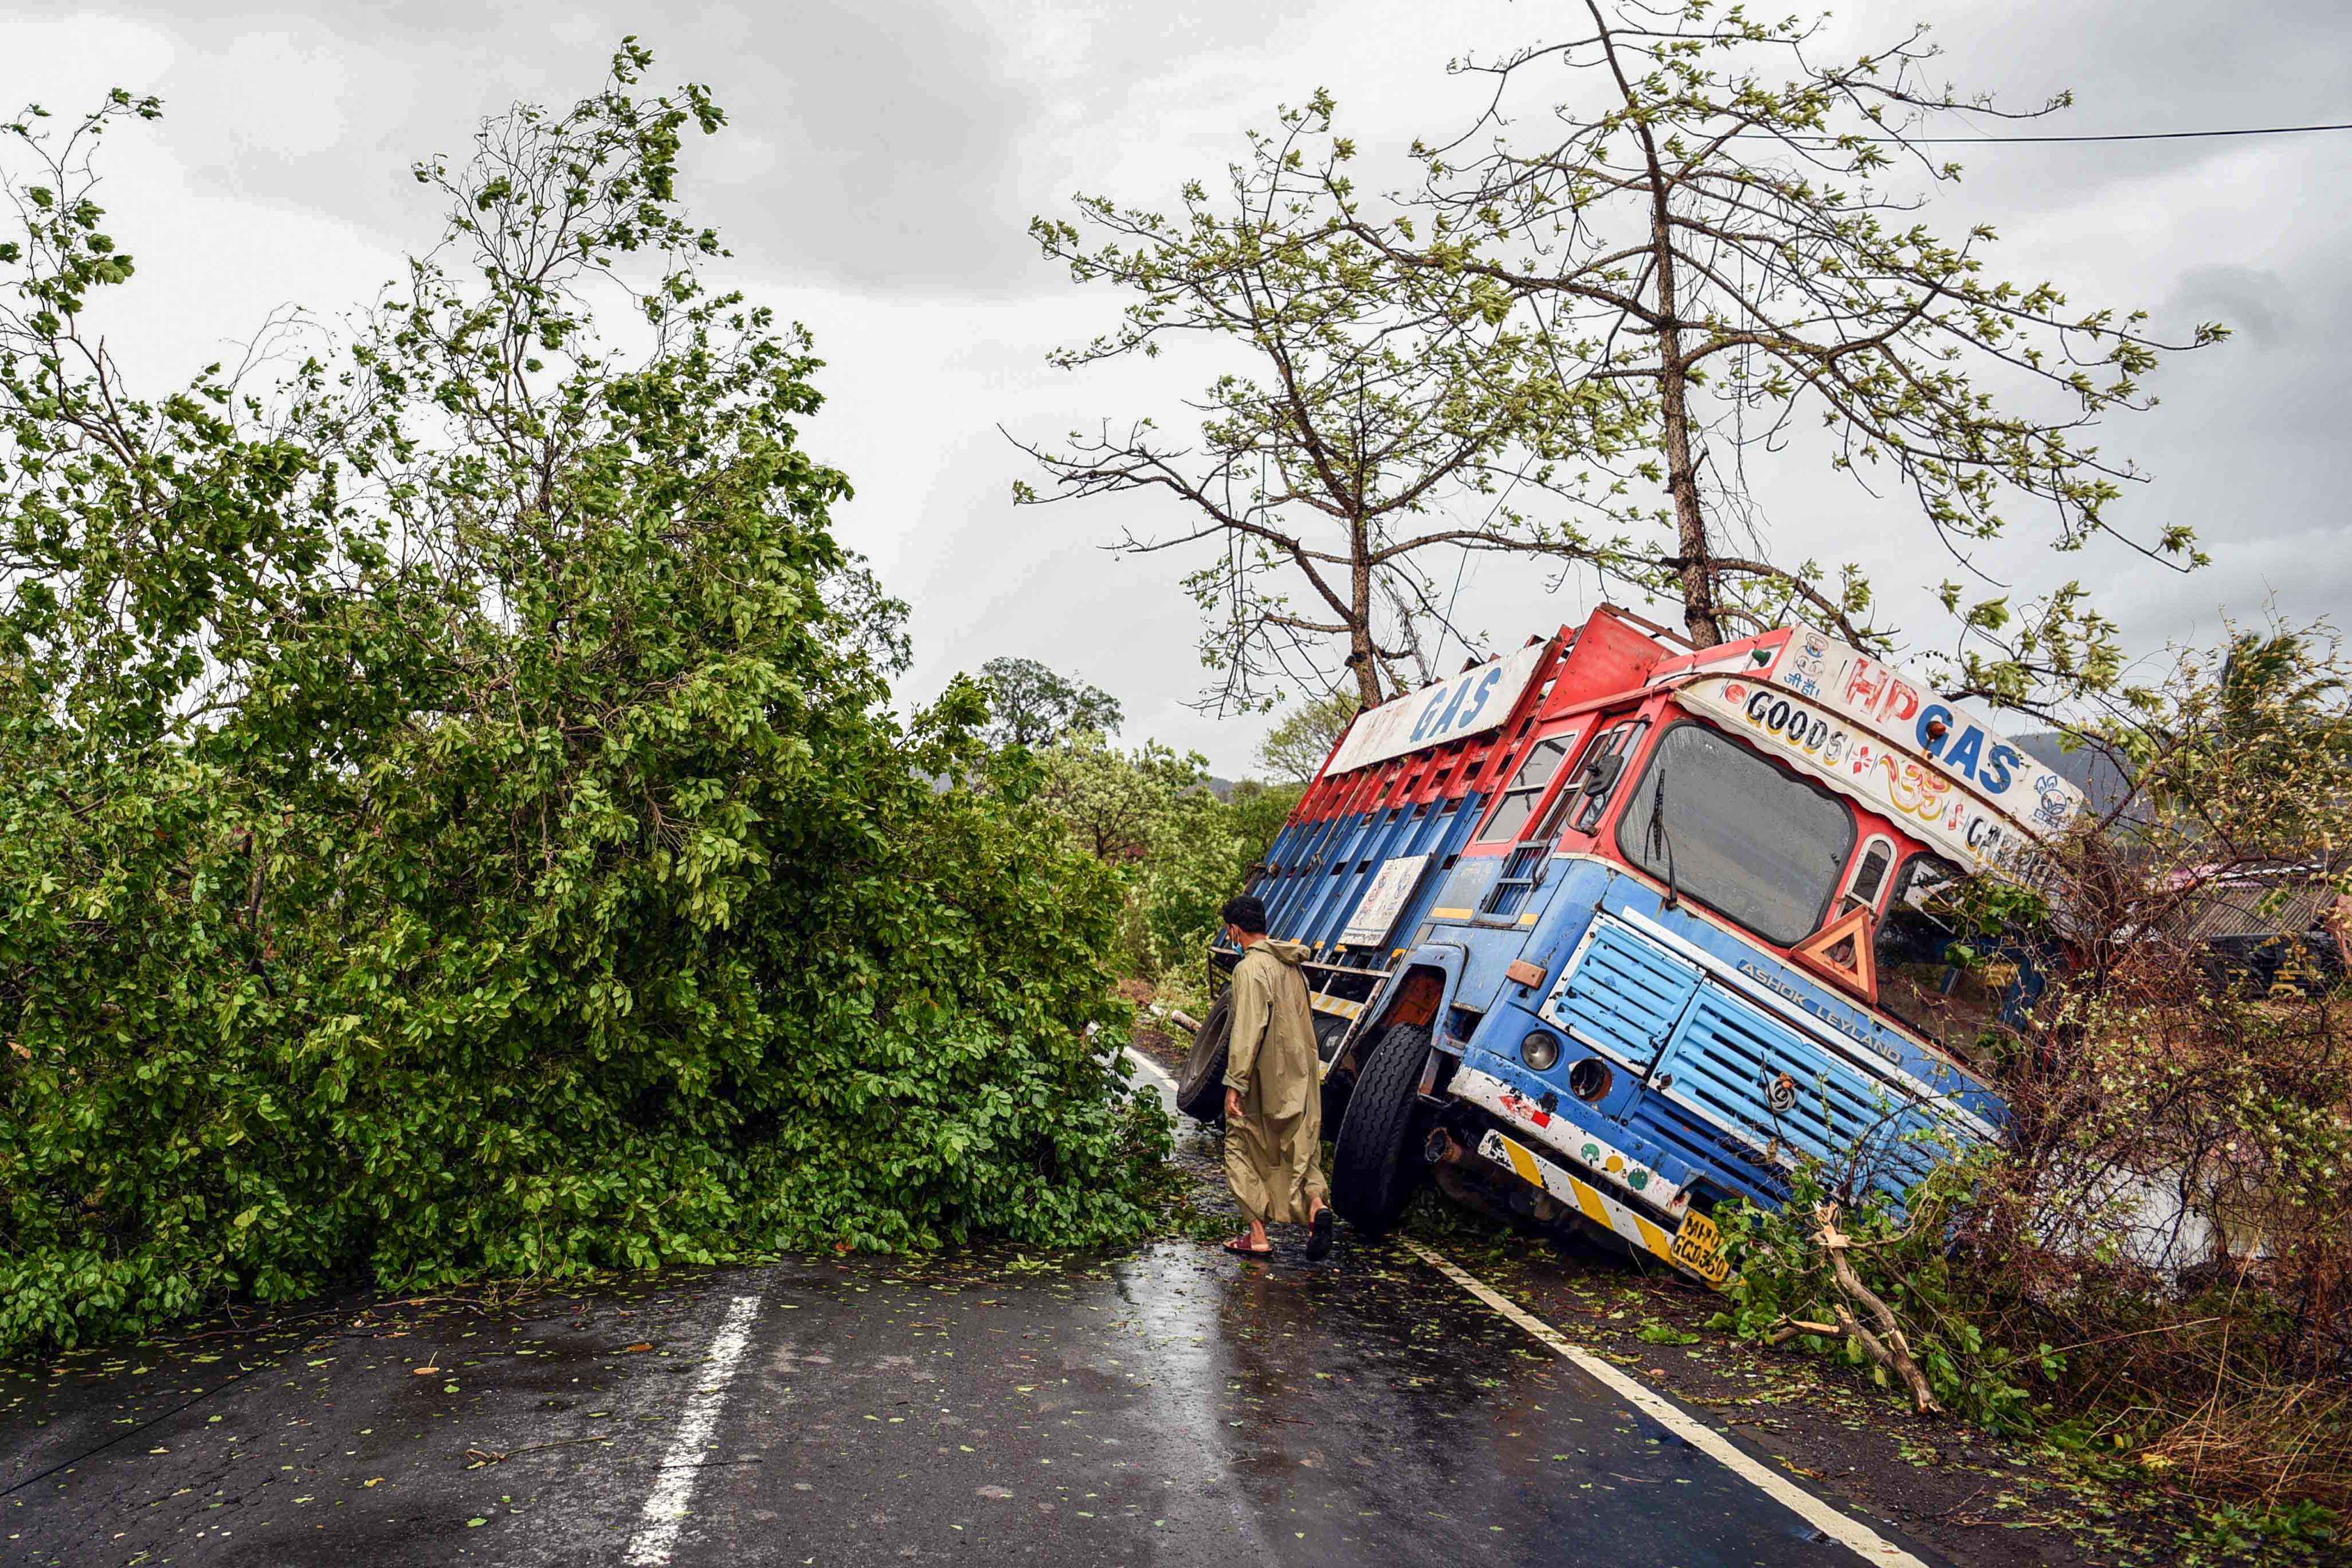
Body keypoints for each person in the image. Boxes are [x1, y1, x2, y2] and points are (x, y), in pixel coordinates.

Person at [1216, 895, 1334, 1261]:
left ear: (1235, 929)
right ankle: (1316, 1208)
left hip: (1266, 1079)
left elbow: (1249, 1029)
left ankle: (1257, 1235)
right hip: (1301, 1075)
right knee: (1302, 1151)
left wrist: (1236, 1082)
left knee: (1240, 1145)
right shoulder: (1292, 966)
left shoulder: (1249, 970)